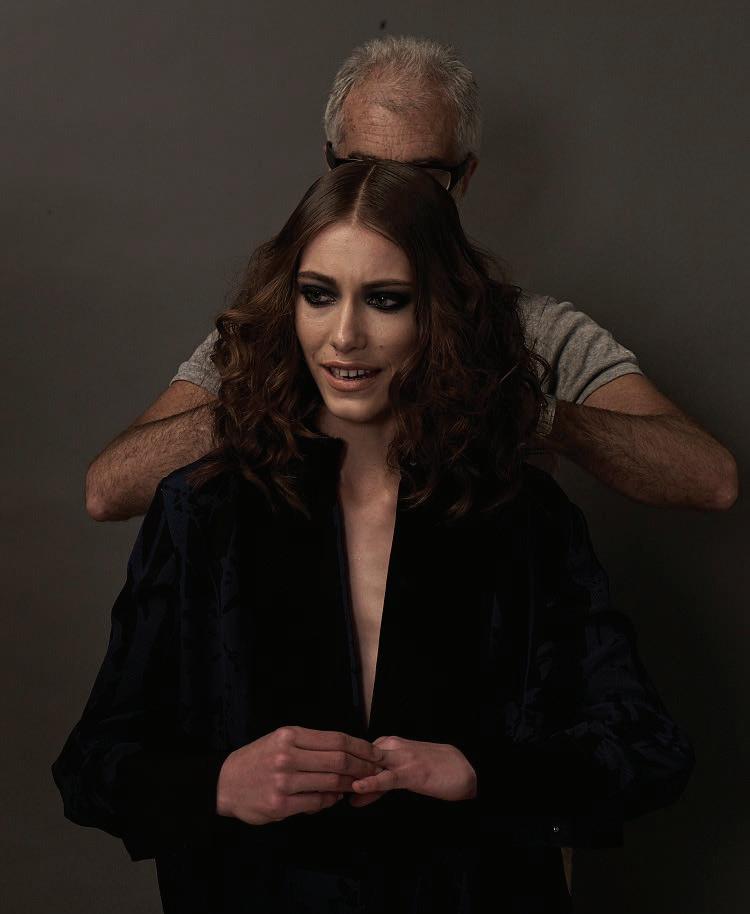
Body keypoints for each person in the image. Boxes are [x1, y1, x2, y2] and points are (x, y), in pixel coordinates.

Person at [52, 161, 695, 913]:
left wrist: (481, 775)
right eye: (318, 294)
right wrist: (219, 784)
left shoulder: (523, 515)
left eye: (386, 300)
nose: (345, 336)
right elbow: (94, 762)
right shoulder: (202, 510)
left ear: (440, 314)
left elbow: (645, 748)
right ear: (287, 303)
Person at [83, 35, 737, 523]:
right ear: (329, 168)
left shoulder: (533, 330)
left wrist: (524, 411)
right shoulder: (285, 319)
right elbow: (109, 491)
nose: (387, 203)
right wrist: (261, 405)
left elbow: (710, 479)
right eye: (361, 170)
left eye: (420, 178)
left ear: (464, 177)